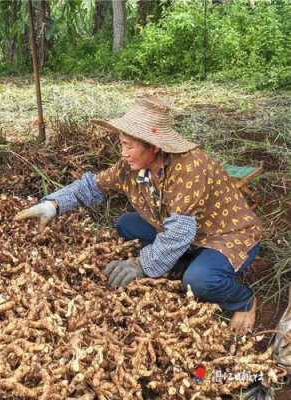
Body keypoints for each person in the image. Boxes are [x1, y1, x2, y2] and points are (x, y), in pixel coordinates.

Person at [15, 97, 262, 335]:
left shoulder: (190, 167)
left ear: (154, 147)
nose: (123, 153)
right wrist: (53, 205)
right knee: (126, 224)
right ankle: (182, 261)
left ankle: (242, 299)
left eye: (128, 146)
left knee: (198, 282)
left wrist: (141, 265)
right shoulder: (131, 167)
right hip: (185, 232)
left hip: (225, 235)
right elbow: (92, 187)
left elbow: (179, 231)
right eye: (122, 144)